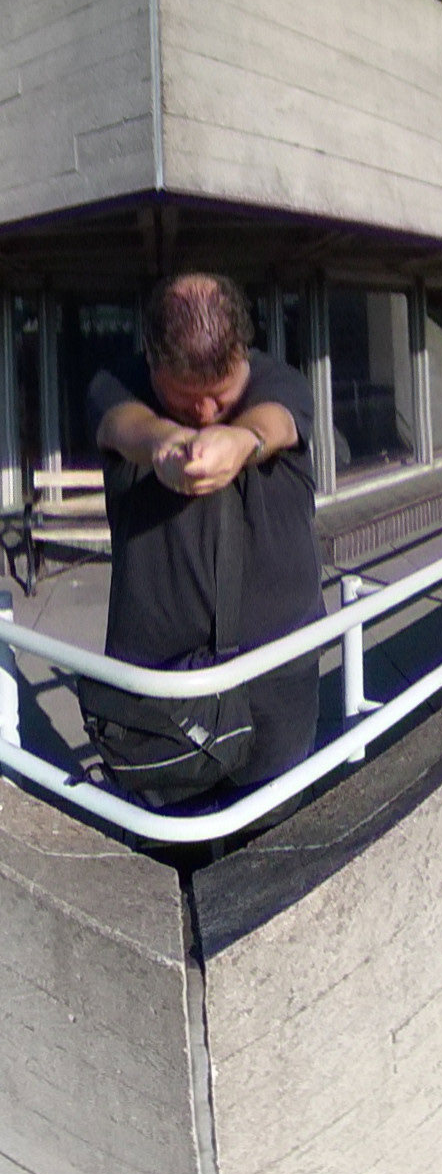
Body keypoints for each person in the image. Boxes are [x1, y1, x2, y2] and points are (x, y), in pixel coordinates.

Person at [79, 272, 323, 800]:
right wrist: (164, 443)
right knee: (167, 834)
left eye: (219, 395)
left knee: (274, 824)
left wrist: (244, 440)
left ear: (243, 354)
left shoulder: (280, 381)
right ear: (152, 361)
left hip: (277, 677)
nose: (206, 413)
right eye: (187, 397)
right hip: (160, 692)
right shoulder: (119, 384)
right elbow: (119, 422)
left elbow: (279, 420)